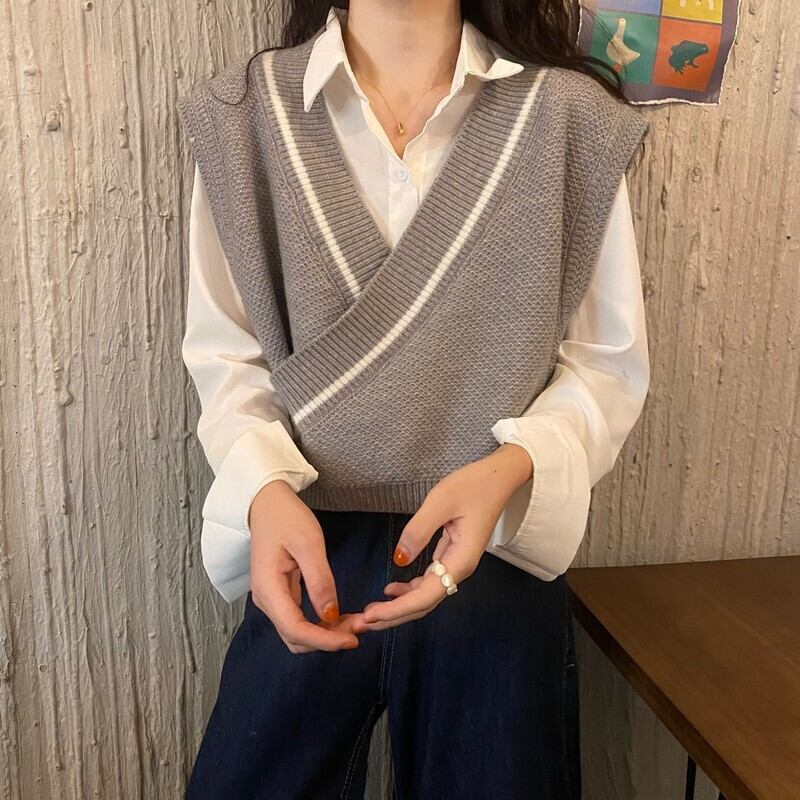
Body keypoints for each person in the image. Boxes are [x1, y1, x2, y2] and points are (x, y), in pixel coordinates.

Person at [177, 1, 650, 797]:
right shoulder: (245, 117)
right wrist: (261, 492)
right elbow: (228, 357)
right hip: (307, 541)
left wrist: (510, 469)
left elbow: (605, 365)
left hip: (495, 546)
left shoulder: (569, 122)